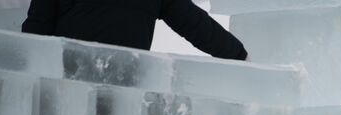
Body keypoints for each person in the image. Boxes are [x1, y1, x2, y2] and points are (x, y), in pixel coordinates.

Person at [21, 0, 248, 61]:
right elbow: (193, 24)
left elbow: (37, 26)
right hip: (119, 87)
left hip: (68, 82)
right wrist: (239, 56)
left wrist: (238, 54)